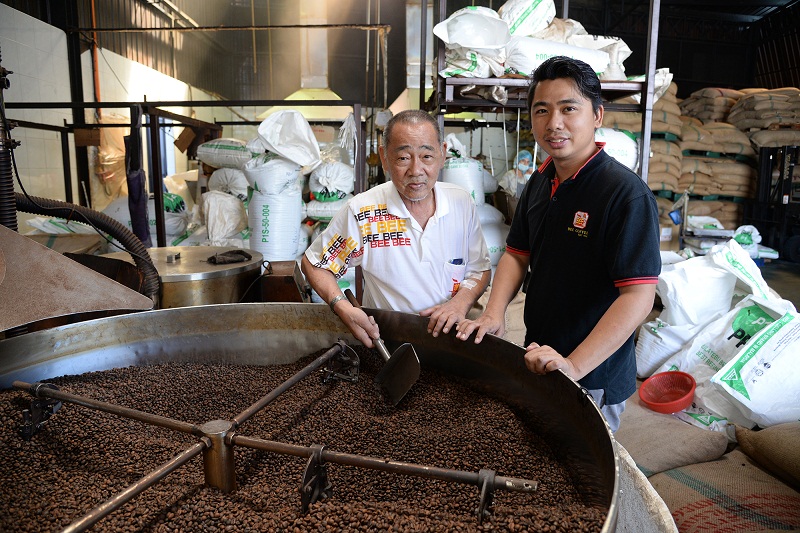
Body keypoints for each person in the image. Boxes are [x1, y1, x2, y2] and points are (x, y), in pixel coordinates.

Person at [455, 56, 661, 432]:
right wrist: (494, 313)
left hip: (593, 372)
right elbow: (517, 255)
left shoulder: (624, 195)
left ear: (597, 115)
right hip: (540, 353)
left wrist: (574, 366)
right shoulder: (539, 182)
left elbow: (638, 297)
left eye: (569, 109)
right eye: (542, 110)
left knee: (586, 473)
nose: (554, 124)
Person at [302, 109, 491, 349]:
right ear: (384, 158)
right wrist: (341, 305)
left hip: (451, 342)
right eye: (403, 158)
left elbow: (480, 268)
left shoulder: (461, 203)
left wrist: (460, 303)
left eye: (427, 156)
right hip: (388, 345)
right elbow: (315, 264)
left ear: (442, 155)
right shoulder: (363, 211)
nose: (416, 170)